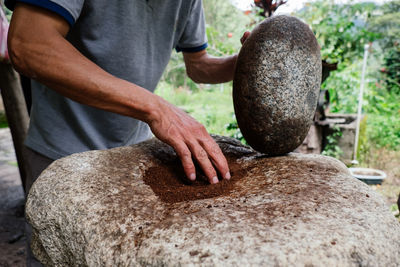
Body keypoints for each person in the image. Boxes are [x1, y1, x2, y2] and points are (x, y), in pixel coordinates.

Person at [5, 0, 249, 265]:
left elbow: (198, 65)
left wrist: (244, 61)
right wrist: (157, 109)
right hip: (61, 152)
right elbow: (29, 44)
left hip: (132, 152)